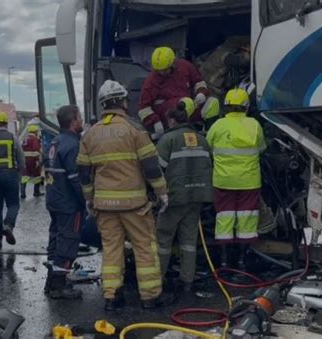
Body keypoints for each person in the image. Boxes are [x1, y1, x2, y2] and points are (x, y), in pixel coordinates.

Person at [78, 80, 171, 311]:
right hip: (134, 206)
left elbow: (84, 173)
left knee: (111, 250)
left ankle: (112, 297)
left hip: (104, 206)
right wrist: (162, 193)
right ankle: (150, 297)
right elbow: (151, 168)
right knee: (144, 247)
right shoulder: (135, 130)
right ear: (122, 102)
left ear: (102, 105)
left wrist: (89, 199)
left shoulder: (90, 135)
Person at [156, 101, 214, 293]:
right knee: (189, 241)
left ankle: (158, 280)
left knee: (163, 240)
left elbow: (157, 170)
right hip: (197, 196)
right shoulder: (202, 139)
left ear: (171, 120)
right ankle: (187, 281)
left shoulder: (168, 140)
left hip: (173, 197)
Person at [206, 88, 266, 269]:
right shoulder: (254, 125)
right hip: (249, 181)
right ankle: (242, 260)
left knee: (224, 218)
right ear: (246, 107)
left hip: (223, 181)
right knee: (247, 219)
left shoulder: (217, 125)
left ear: (225, 107)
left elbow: (208, 146)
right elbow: (262, 148)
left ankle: (224, 261)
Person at [44, 105, 85, 299]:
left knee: (56, 238)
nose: (82, 121)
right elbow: (76, 178)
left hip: (54, 199)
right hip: (68, 203)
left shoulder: (55, 142)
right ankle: (59, 286)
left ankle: (51, 280)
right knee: (68, 240)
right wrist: (87, 200)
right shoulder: (73, 144)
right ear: (73, 121)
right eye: (80, 118)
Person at [138, 46, 219, 140]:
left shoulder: (185, 66)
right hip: (168, 115)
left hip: (190, 107)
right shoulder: (151, 81)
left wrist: (201, 93)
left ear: (173, 64)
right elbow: (143, 108)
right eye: (159, 70)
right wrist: (155, 122)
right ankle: (182, 137)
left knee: (212, 102)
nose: (162, 72)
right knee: (187, 102)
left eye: (165, 69)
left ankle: (209, 138)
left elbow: (199, 82)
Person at [0, 111, 25, 250]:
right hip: (10, 175)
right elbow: (20, 157)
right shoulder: (12, 137)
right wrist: (20, 172)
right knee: (13, 204)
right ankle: (8, 225)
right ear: (5, 123)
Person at [21, 124, 44, 198]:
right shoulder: (34, 139)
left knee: (24, 175)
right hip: (33, 160)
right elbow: (36, 150)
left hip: (25, 159)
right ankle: (36, 192)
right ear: (35, 132)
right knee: (37, 176)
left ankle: (22, 193)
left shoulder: (25, 138)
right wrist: (38, 160)